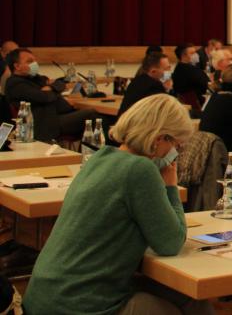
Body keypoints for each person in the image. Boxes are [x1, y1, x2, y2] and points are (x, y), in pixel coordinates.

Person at [22, 94, 214, 315]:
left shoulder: (100, 158)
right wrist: (171, 186)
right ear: (159, 139)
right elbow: (170, 243)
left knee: (188, 298)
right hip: (77, 303)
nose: (175, 153)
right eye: (175, 144)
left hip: (48, 292)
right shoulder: (140, 170)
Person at [3, 48, 96, 141]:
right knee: (92, 114)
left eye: (35, 60)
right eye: (30, 61)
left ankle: (88, 151)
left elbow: (60, 84)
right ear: (17, 66)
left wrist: (50, 88)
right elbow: (45, 97)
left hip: (58, 115)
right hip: (45, 124)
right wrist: (51, 91)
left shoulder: (35, 78)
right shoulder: (15, 84)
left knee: (101, 117)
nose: (35, 64)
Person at [119, 52, 172, 118]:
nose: (169, 72)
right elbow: (166, 110)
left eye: (169, 68)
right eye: (166, 69)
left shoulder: (136, 81)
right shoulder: (155, 87)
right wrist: (167, 89)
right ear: (153, 71)